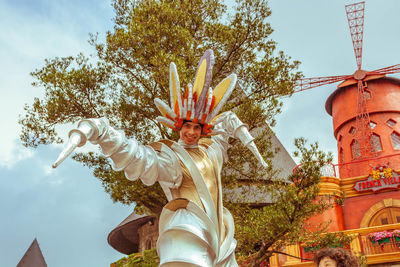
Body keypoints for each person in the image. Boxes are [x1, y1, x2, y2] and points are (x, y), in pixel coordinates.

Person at [53, 50, 267, 267]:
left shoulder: (212, 150)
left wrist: (242, 133)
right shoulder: (173, 160)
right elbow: (139, 157)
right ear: (178, 126)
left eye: (196, 127)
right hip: (189, 233)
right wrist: (103, 132)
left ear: (203, 129)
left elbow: (224, 125)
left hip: (219, 238)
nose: (191, 132)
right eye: (187, 126)